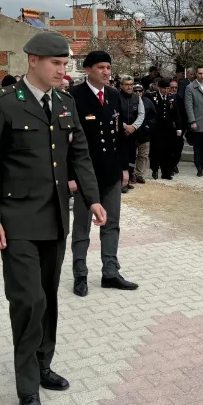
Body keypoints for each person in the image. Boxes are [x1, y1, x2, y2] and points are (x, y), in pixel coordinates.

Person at [0, 31, 105, 405]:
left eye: (65, 64)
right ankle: (27, 387)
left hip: (54, 219)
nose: (63, 71)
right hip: (16, 222)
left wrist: (93, 199)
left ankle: (43, 363)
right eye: (56, 64)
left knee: (48, 296)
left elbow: (79, 154)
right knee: (28, 300)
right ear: (32, 61)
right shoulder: (2, 105)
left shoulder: (65, 103)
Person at [69, 51, 139, 296]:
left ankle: (110, 271)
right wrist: (70, 176)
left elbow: (119, 135)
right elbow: (67, 141)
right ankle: (80, 273)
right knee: (82, 226)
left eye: (109, 67)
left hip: (111, 171)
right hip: (85, 174)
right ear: (87, 69)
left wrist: (124, 168)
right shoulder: (73, 96)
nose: (107, 72)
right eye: (101, 67)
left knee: (112, 223)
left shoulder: (113, 95)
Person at [117, 76, 145, 194]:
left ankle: (127, 181)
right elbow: (114, 114)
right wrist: (125, 126)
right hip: (120, 132)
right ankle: (121, 183)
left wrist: (133, 127)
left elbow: (141, 114)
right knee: (120, 158)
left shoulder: (137, 98)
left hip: (133, 133)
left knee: (131, 157)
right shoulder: (116, 97)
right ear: (121, 86)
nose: (129, 86)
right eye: (127, 84)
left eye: (131, 84)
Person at [148, 78, 179, 180]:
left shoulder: (172, 98)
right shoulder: (153, 97)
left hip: (168, 129)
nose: (166, 90)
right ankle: (155, 169)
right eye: (163, 88)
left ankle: (166, 172)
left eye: (167, 88)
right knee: (156, 150)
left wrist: (179, 127)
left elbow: (176, 114)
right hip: (156, 129)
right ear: (159, 88)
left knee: (168, 150)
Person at [132, 83, 155, 183]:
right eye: (135, 91)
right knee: (131, 155)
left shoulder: (148, 102)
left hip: (144, 134)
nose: (138, 93)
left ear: (143, 91)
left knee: (143, 155)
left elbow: (154, 116)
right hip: (132, 133)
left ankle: (139, 174)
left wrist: (149, 126)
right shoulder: (129, 101)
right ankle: (131, 174)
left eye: (140, 91)